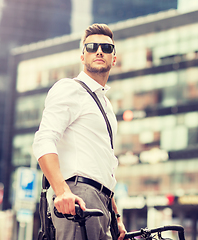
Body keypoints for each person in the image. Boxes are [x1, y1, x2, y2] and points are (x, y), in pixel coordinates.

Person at [32, 23, 127, 240]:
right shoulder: (70, 88)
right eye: (92, 47)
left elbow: (103, 167)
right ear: (82, 56)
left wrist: (116, 216)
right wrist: (63, 190)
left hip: (103, 202)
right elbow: (44, 140)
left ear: (114, 58)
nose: (99, 51)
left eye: (106, 47)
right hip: (79, 195)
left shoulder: (106, 106)